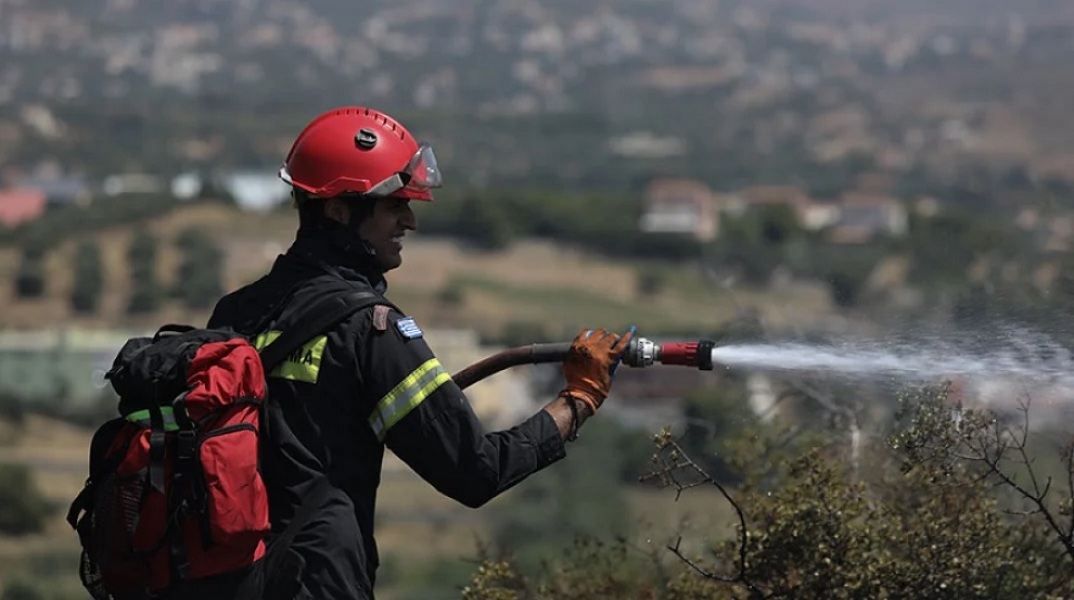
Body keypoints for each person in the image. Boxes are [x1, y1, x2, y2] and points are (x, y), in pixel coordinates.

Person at [206, 106, 634, 600]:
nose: (409, 219)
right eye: (394, 206)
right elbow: (477, 472)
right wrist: (578, 399)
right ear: (340, 210)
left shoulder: (235, 313)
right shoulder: (371, 329)